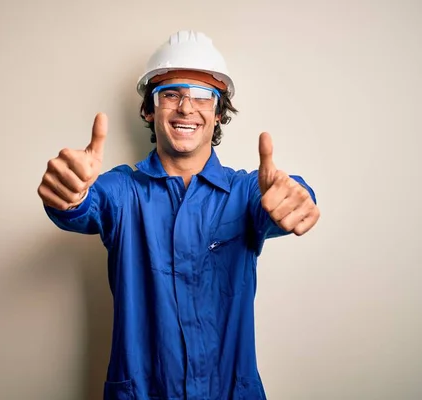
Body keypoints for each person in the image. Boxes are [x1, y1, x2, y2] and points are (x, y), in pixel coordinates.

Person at [37, 30, 320, 400]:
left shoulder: (246, 192)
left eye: (203, 95)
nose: (186, 107)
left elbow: (282, 196)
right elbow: (84, 205)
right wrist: (68, 194)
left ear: (219, 113)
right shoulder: (124, 190)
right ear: (149, 109)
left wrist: (298, 196)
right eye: (171, 93)